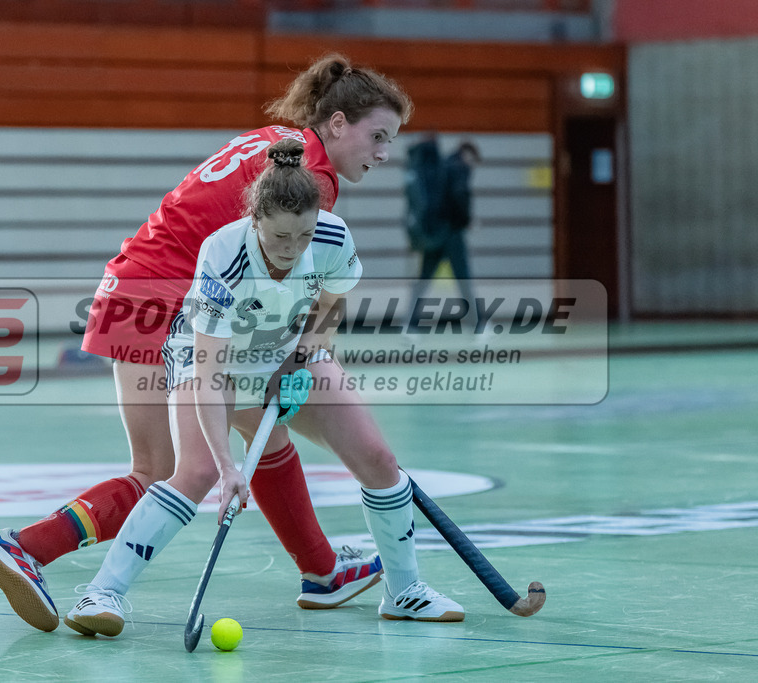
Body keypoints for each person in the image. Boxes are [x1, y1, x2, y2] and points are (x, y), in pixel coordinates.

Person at [0, 53, 413, 632]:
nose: (383, 153)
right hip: (168, 303)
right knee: (164, 471)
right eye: (376, 136)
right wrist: (303, 357)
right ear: (335, 123)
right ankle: (27, 547)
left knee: (264, 433)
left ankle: (323, 573)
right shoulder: (313, 180)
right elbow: (282, 285)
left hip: (132, 284)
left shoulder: (277, 141)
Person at [64, 140, 463, 638]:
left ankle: (403, 591)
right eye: (280, 236)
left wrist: (304, 358)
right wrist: (230, 469)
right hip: (210, 354)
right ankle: (102, 593)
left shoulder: (333, 238)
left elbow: (330, 305)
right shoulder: (223, 254)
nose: (292, 249)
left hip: (286, 345)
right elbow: (209, 374)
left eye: (304, 235)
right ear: (255, 220)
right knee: (197, 470)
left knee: (379, 459)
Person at [404, 137, 482, 332]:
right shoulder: (458, 167)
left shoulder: (442, 166)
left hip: (435, 233)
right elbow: (459, 196)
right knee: (464, 279)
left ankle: (410, 324)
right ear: (468, 154)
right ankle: (479, 325)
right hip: (452, 233)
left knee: (424, 279)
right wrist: (466, 220)